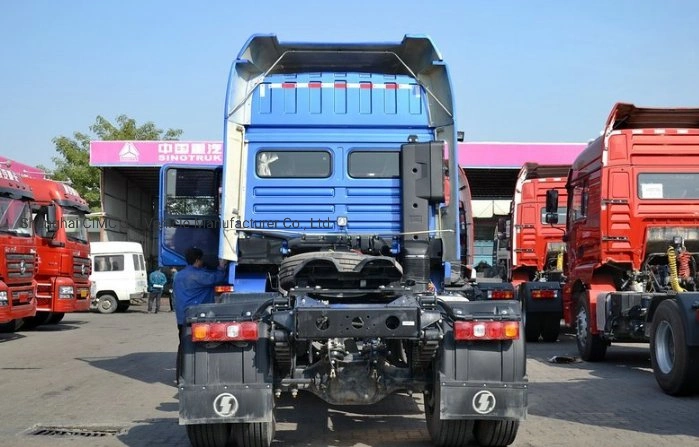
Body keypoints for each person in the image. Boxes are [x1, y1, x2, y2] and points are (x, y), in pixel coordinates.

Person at [174, 247, 228, 385]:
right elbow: (217, 277)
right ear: (197, 260)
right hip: (196, 316)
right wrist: (222, 266)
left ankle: (180, 377)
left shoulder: (179, 275)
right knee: (198, 347)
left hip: (182, 317)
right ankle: (194, 377)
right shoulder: (197, 276)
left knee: (183, 345)